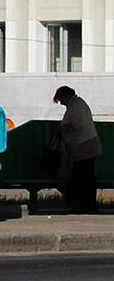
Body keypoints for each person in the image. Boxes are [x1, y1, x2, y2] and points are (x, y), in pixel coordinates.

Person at [54, 85, 101, 215]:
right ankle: (85, 205)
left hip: (85, 147)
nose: (61, 103)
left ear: (66, 96)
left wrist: (62, 127)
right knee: (84, 178)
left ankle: (85, 206)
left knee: (83, 178)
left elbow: (78, 123)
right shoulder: (76, 104)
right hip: (83, 147)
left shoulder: (77, 105)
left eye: (61, 99)